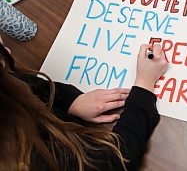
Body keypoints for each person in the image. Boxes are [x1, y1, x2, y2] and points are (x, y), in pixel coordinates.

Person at [0, 39, 168, 171]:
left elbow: (25, 84)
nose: (7, 50)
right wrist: (144, 85)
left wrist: (72, 101)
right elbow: (115, 162)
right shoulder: (28, 157)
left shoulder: (9, 85)